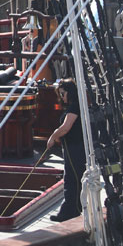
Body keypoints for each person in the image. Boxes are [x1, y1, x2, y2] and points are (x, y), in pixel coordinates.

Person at [46, 79, 86, 222]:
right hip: (75, 146)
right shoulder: (78, 106)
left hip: (74, 147)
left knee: (71, 179)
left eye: (63, 94)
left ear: (70, 92)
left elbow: (66, 127)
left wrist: (52, 137)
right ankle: (75, 208)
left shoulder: (74, 108)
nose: (62, 97)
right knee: (75, 178)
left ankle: (68, 212)